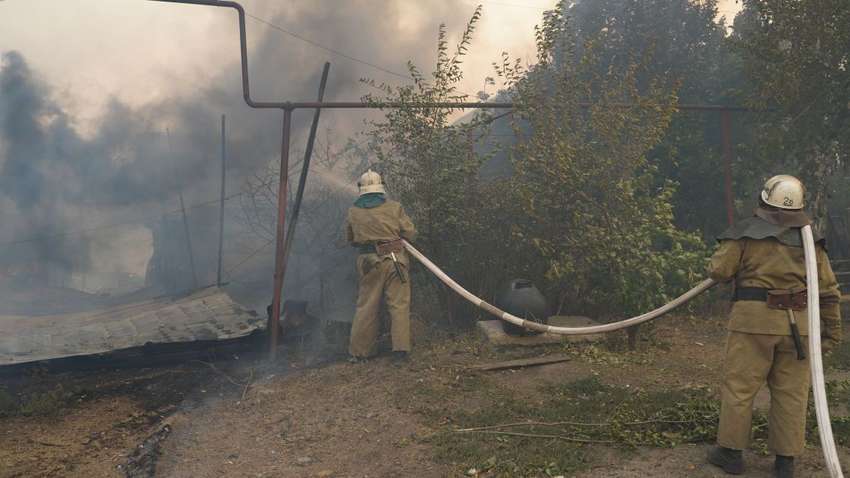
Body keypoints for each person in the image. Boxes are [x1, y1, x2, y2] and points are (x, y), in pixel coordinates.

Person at [707, 175, 842, 478]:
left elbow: (719, 270)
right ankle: (785, 462)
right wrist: (832, 333)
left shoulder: (744, 234)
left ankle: (730, 454)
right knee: (792, 392)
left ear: (763, 200)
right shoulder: (811, 242)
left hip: (752, 324)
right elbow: (829, 291)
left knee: (740, 387)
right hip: (799, 328)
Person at [345, 169, 417, 362]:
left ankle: (360, 353)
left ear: (361, 189)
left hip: (369, 263)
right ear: (380, 188)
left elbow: (351, 239)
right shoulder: (394, 207)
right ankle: (400, 351)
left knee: (367, 306)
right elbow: (410, 233)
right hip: (396, 261)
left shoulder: (353, 211)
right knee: (399, 305)